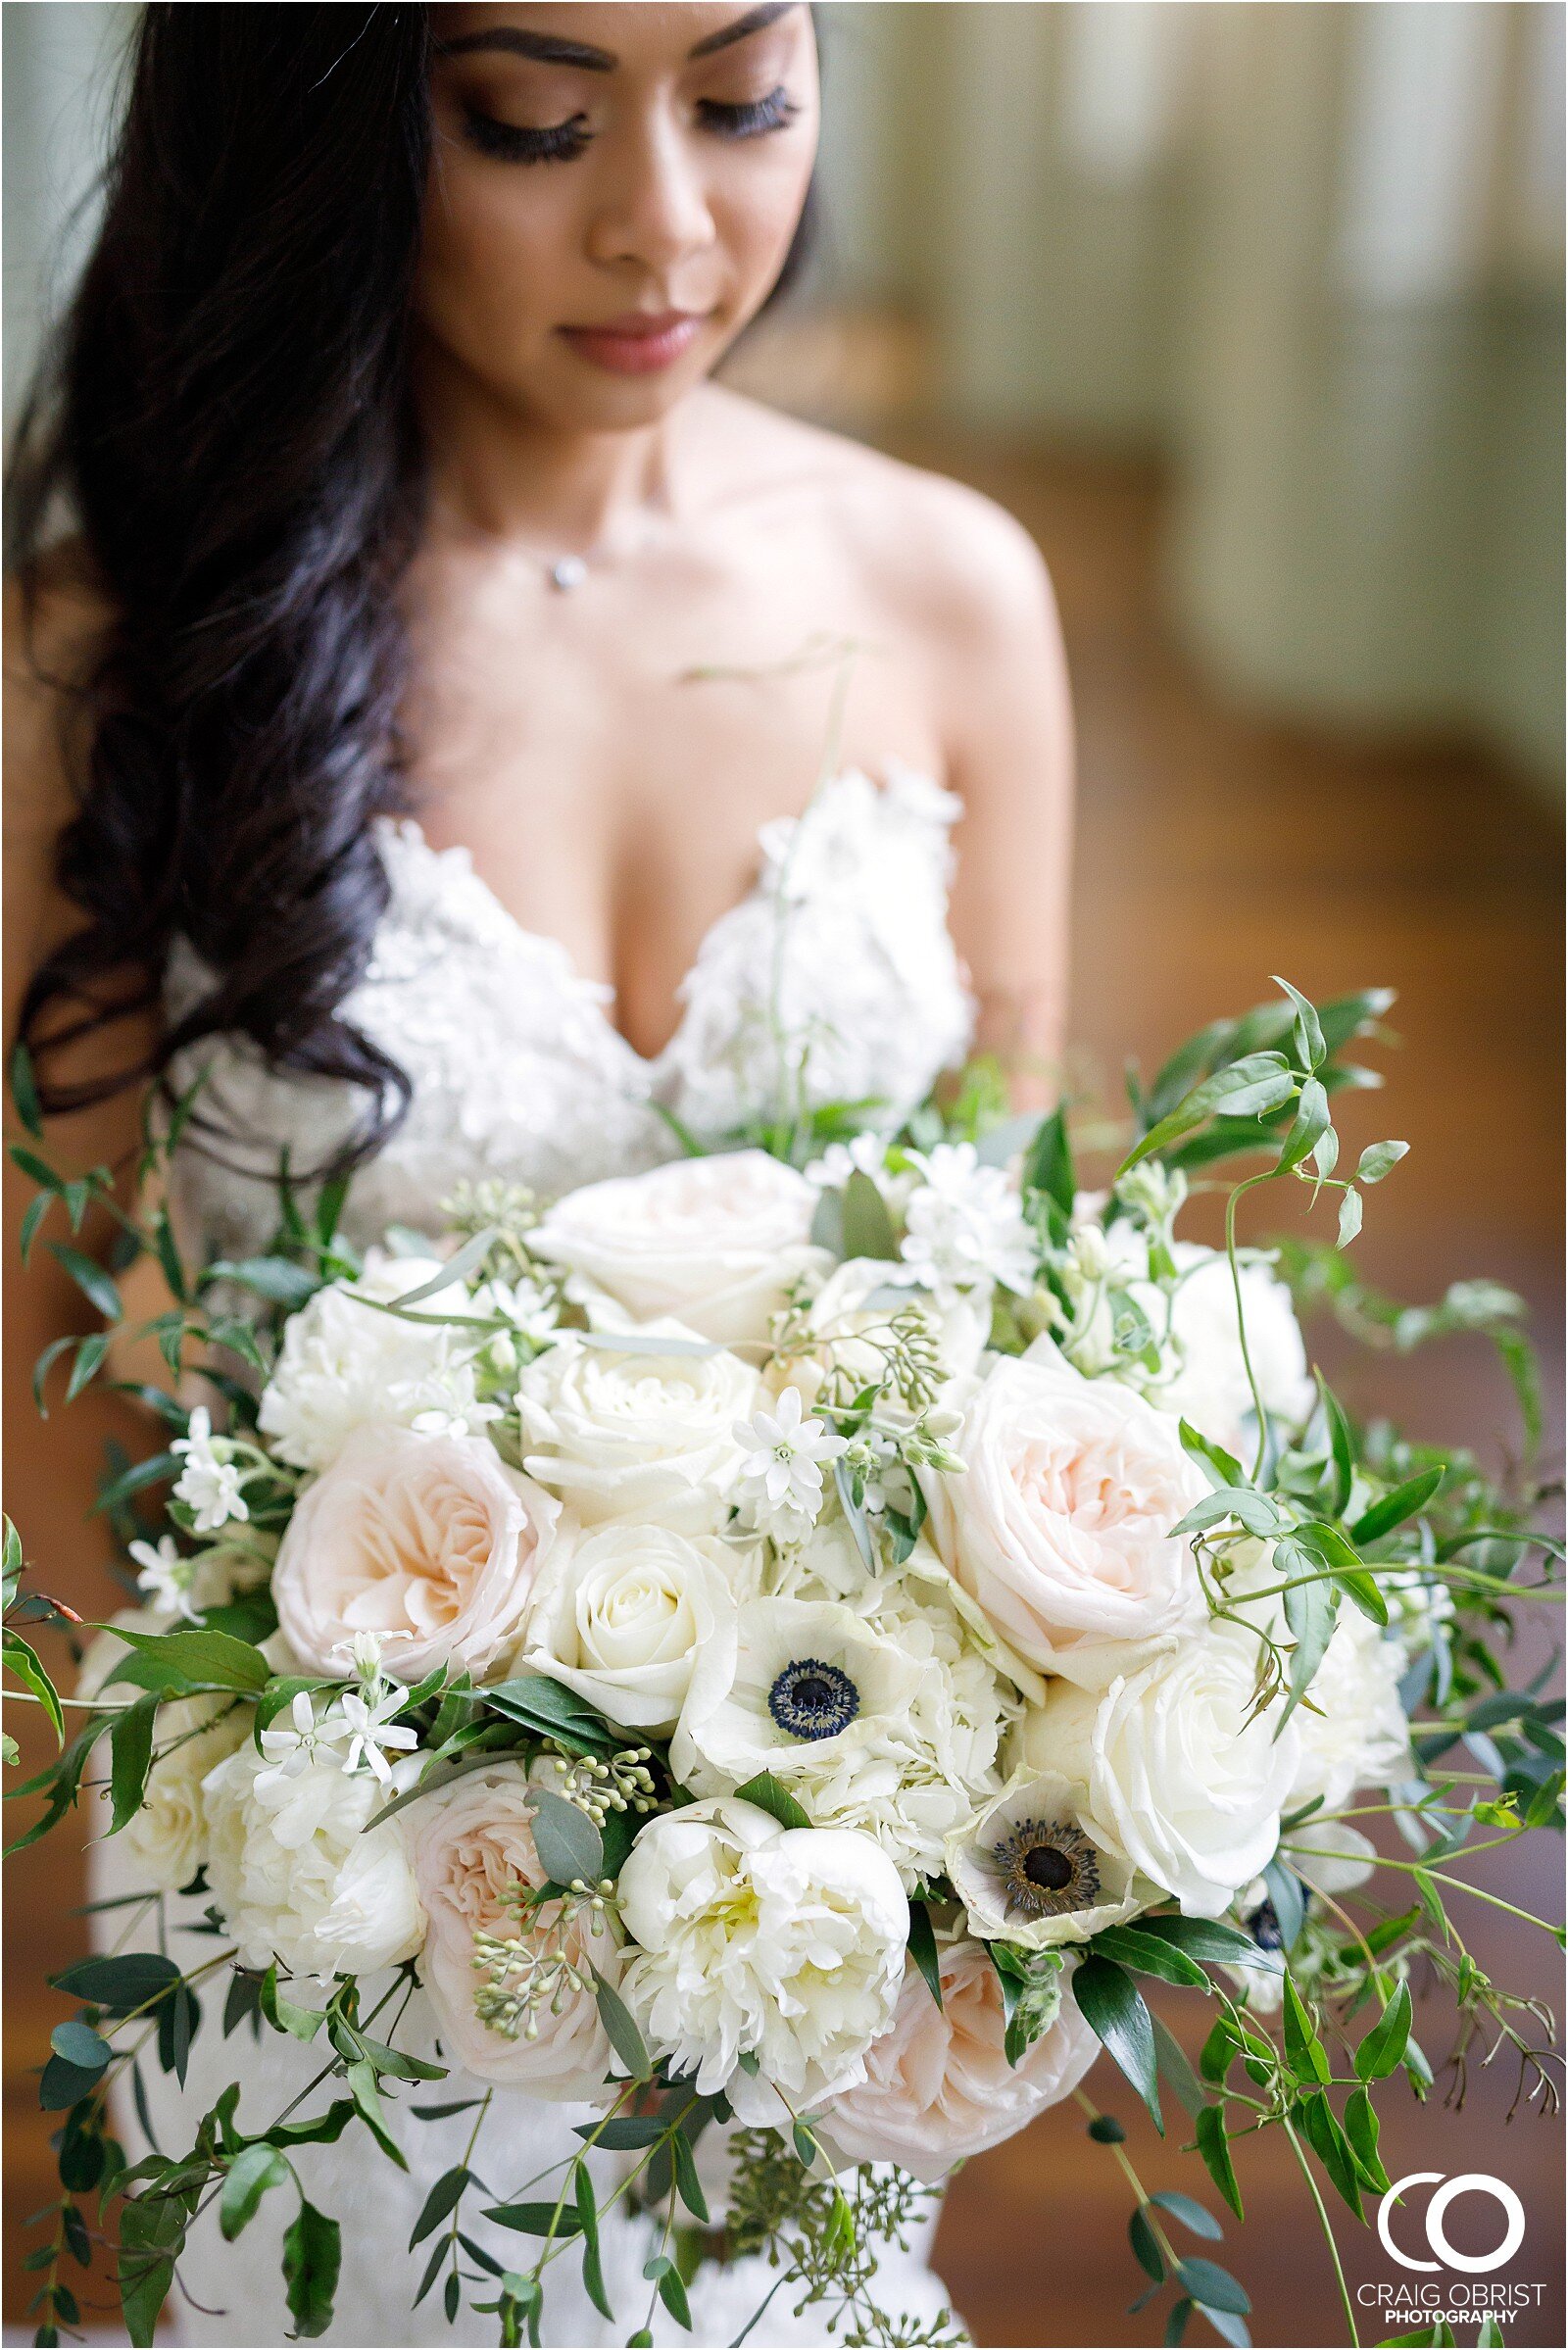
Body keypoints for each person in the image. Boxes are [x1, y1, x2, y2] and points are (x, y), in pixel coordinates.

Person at [4, 8, 1073, 2342]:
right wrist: (287, 1845)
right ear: (329, 128)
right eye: (531, 123)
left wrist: (932, 1829)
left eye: (741, 98)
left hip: (805, 1898)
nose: (664, 226)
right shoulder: (121, 658)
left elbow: (1016, 1303)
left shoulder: (953, 591)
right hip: (314, 1892)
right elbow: (50, 1350)